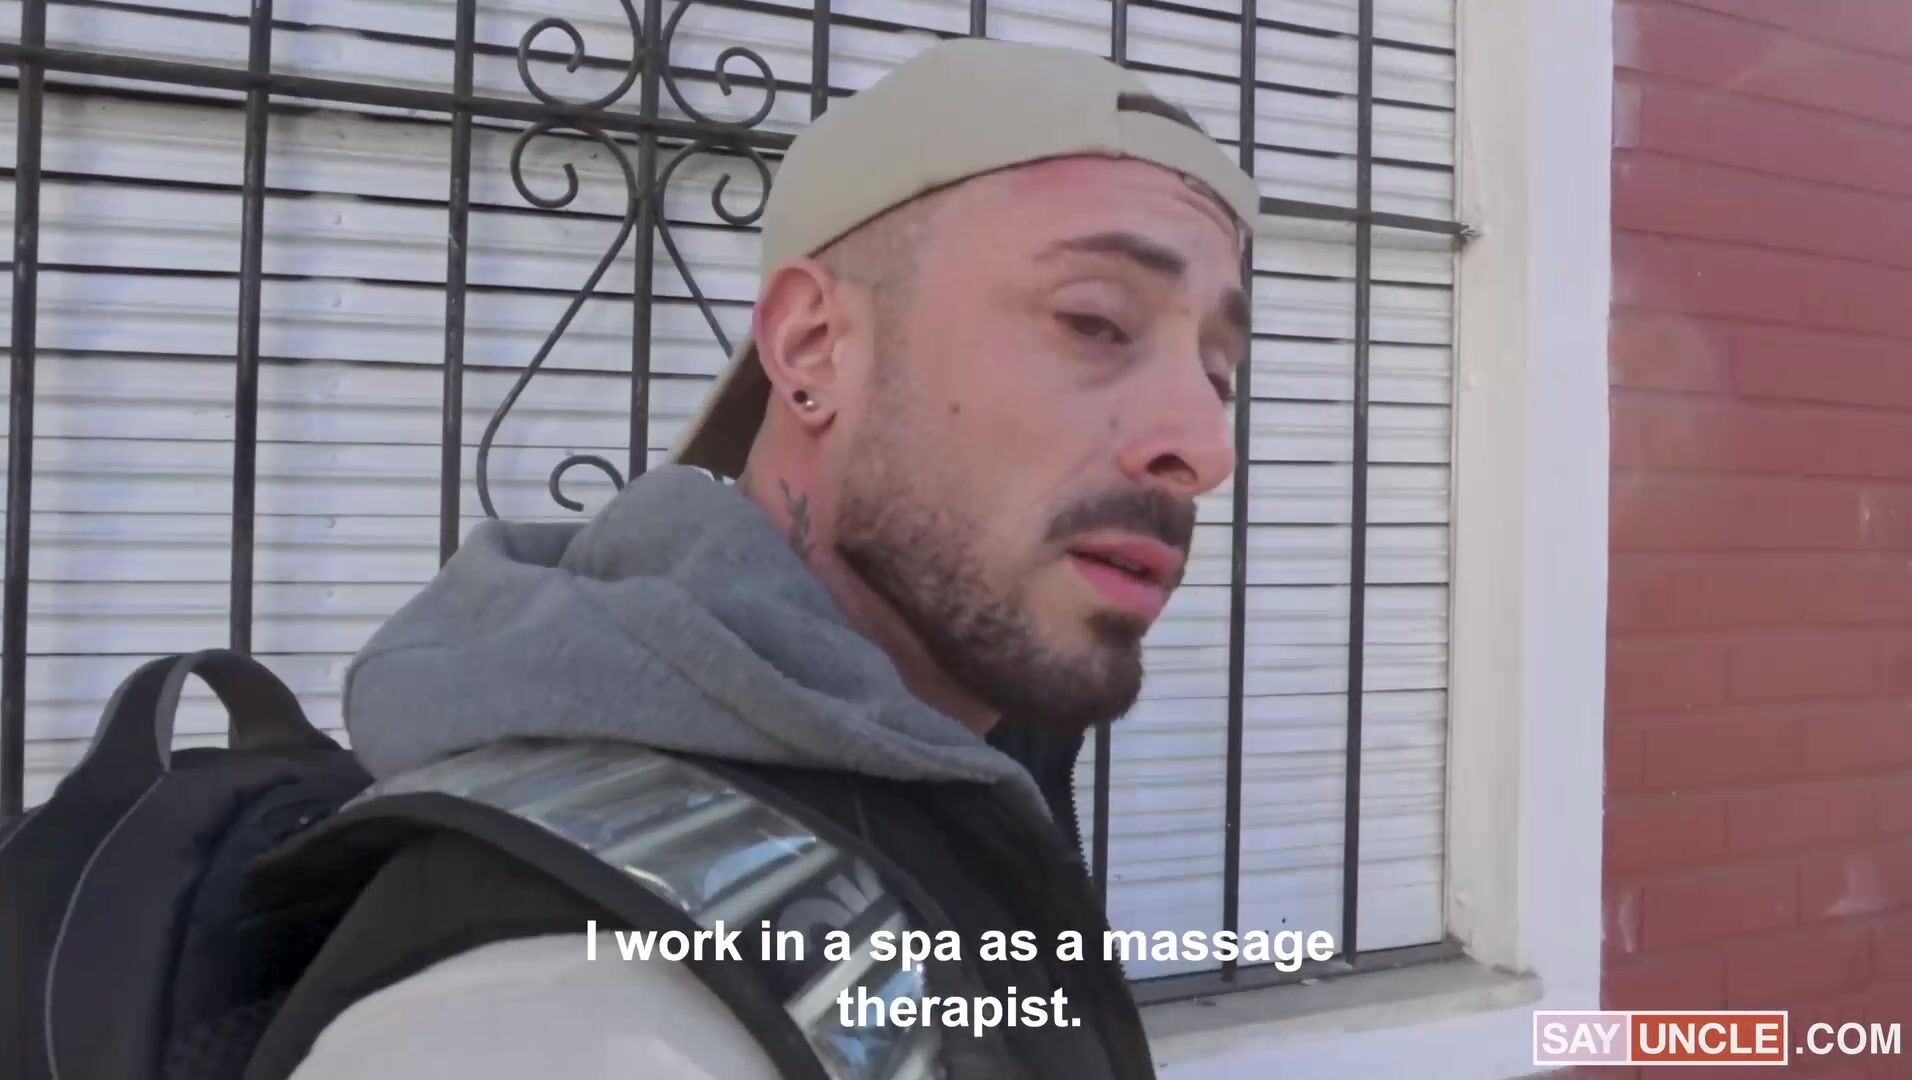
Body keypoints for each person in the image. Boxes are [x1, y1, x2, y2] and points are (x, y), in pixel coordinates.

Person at [250, 36, 1257, 1080]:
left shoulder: (968, 765)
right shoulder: (571, 1006)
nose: (1207, 447)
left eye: (1219, 373)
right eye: (1096, 322)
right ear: (816, 346)